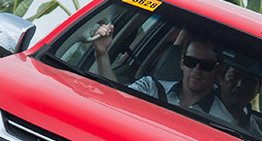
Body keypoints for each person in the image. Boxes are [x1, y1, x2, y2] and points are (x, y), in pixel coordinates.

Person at [91, 28, 236, 126]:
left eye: (206, 65)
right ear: (181, 63)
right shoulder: (150, 87)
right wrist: (101, 53)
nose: (196, 70)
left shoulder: (222, 120)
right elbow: (115, 101)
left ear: (218, 70)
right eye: (191, 62)